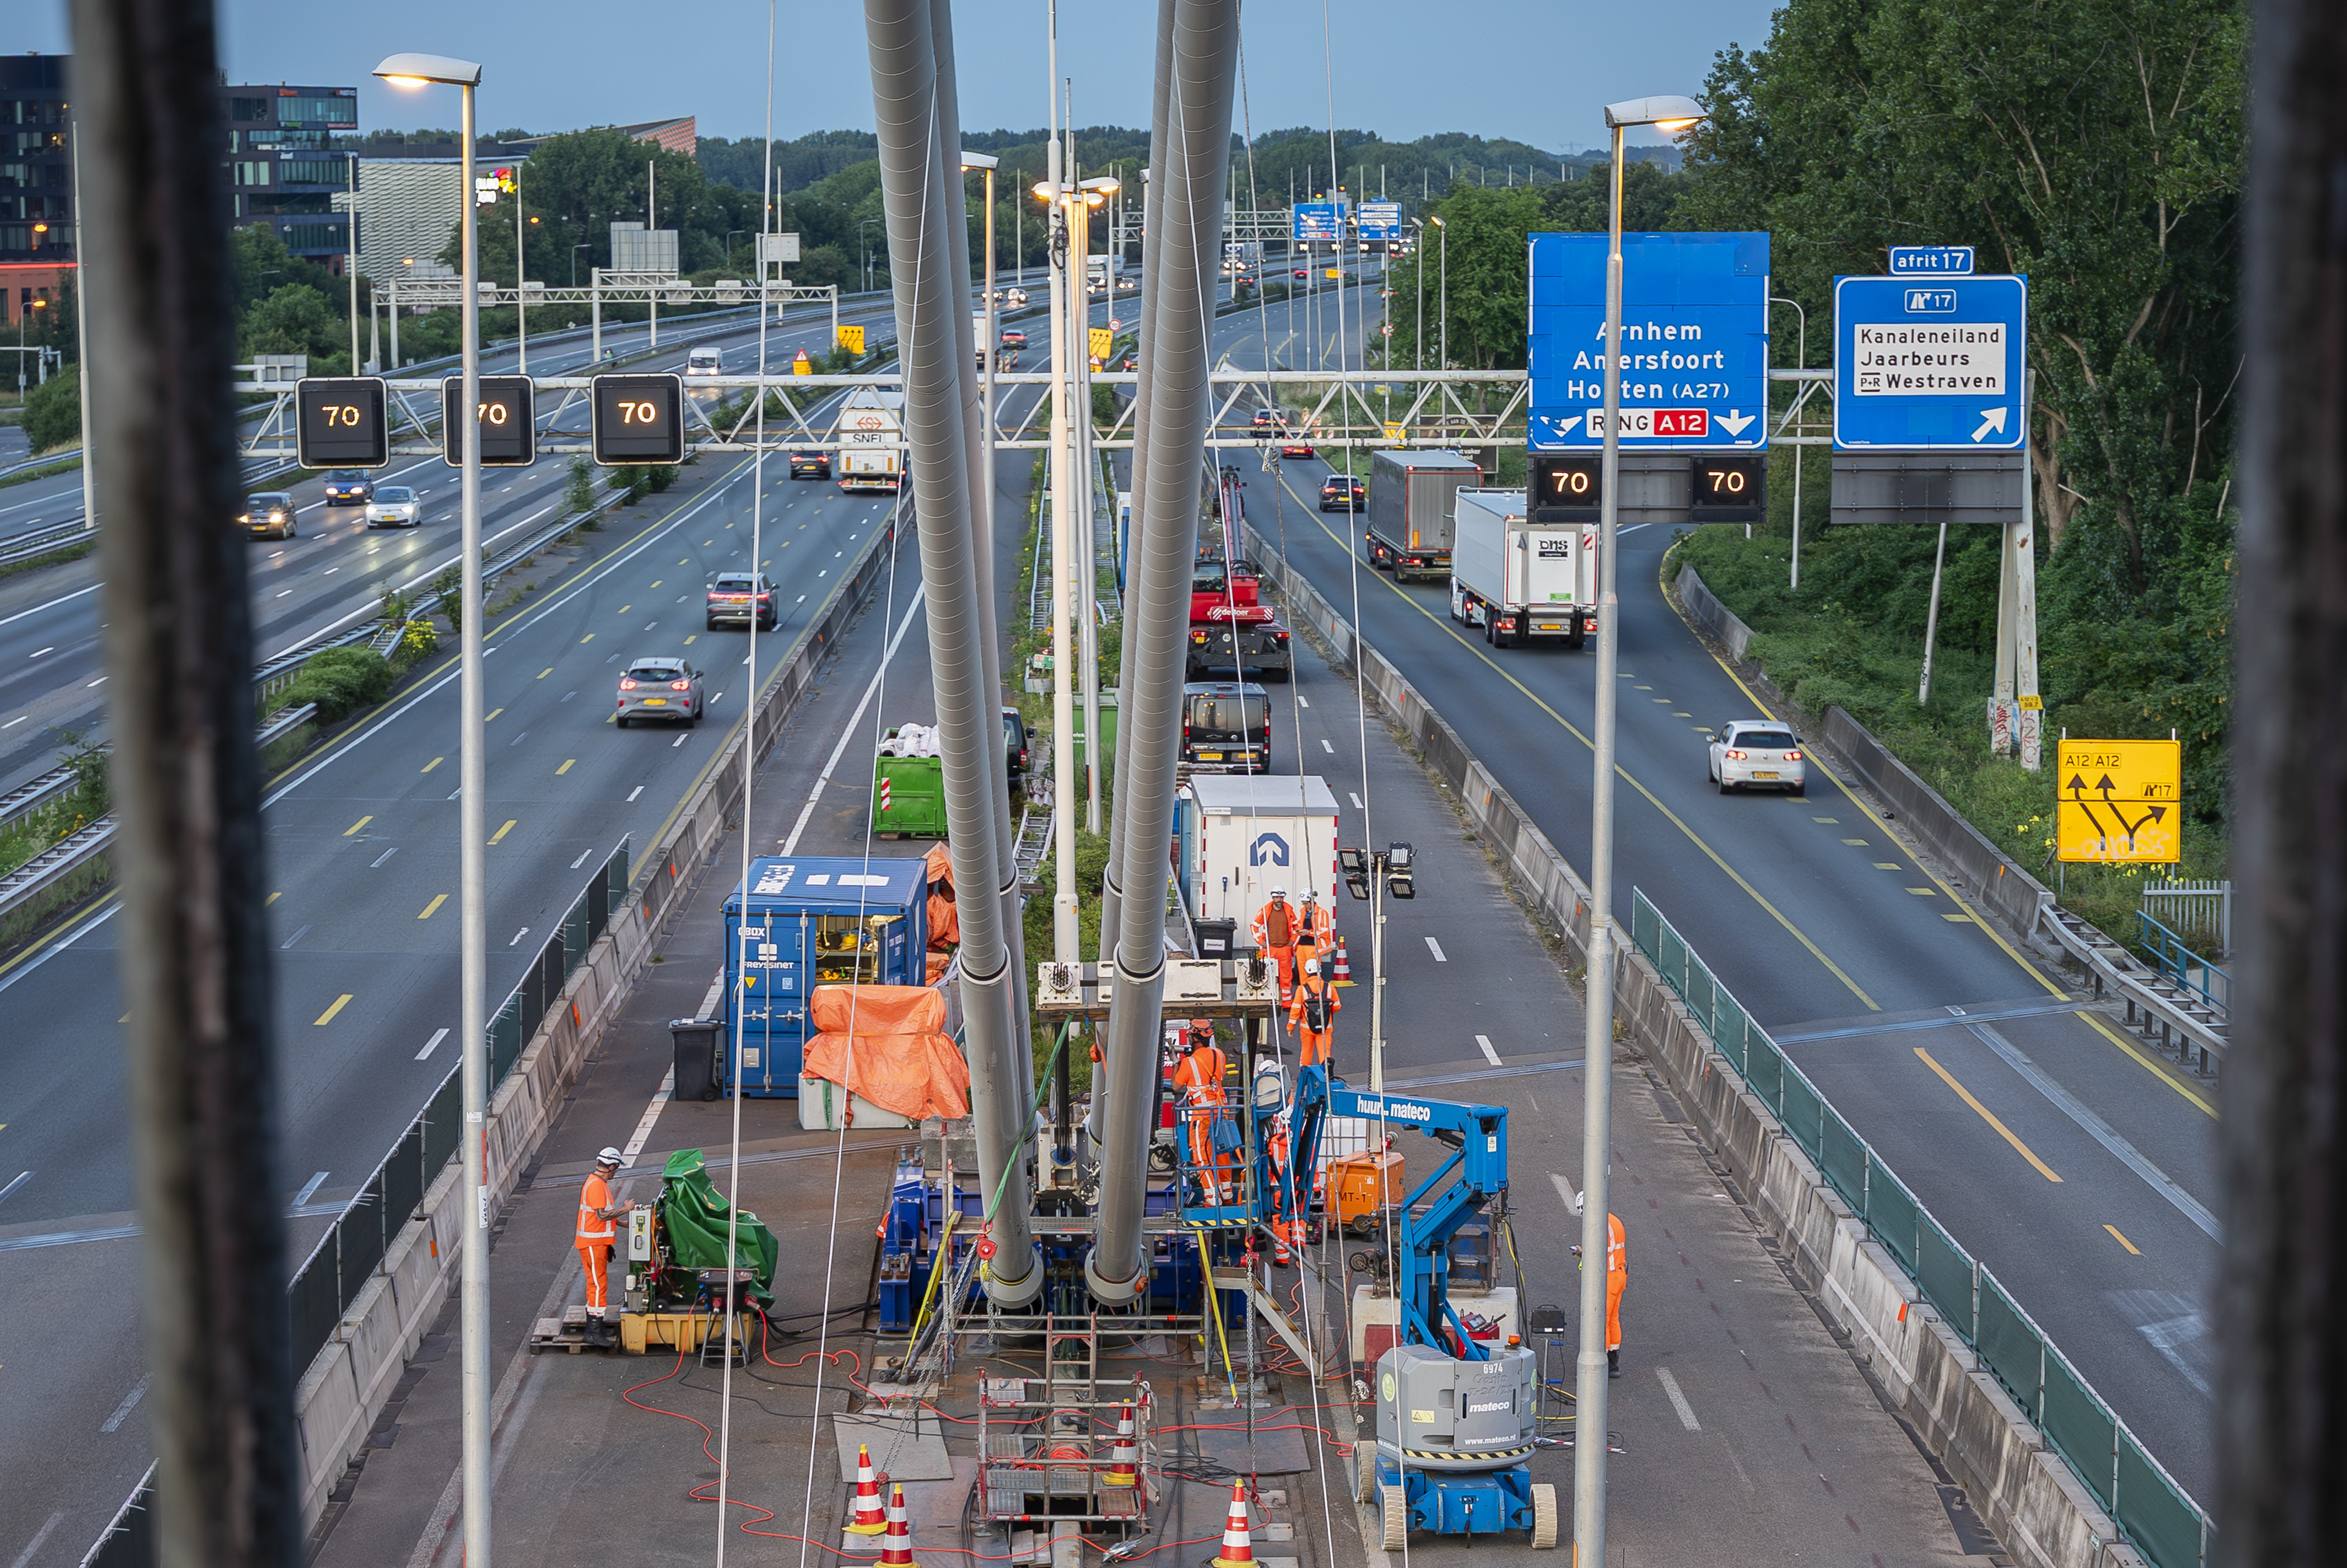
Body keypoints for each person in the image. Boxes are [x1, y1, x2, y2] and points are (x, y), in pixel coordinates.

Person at [577, 1147, 638, 1346]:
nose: (615, 1173)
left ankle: (596, 1326)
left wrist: (622, 1224)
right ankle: (593, 1331)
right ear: (611, 1166)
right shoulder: (596, 1185)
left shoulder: (597, 1183)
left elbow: (602, 1215)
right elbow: (602, 1215)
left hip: (596, 1243)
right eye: (616, 1169)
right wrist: (625, 1209)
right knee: (597, 1285)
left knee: (597, 1283)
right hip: (593, 1244)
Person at [1171, 1023, 1230, 1204]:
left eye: (1190, 1035)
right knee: (1222, 1154)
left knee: (1201, 1157)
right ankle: (1227, 1196)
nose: (1189, 1038)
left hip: (1202, 1117)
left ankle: (1213, 1200)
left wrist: (1175, 1061)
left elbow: (1175, 1086)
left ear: (1195, 1038)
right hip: (1222, 1114)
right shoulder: (1219, 1054)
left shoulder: (1189, 1063)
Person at [1288, 955, 1341, 1068]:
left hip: (1307, 1027)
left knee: (1306, 1051)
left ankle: (1304, 1076)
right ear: (1320, 971)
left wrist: (1290, 1027)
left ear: (1307, 971)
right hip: (1326, 1026)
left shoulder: (1302, 989)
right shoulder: (1330, 987)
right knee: (1325, 1052)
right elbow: (1337, 1006)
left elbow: (1295, 1010)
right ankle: (1326, 1076)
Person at [1251, 885, 1300, 1000]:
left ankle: (1286, 1001)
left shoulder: (1289, 910)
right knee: (1267, 975)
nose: (1279, 900)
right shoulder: (1265, 910)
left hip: (1284, 949)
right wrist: (1261, 941)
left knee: (1286, 976)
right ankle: (1269, 999)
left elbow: (1297, 927)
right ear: (1273, 898)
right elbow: (1254, 926)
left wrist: (1293, 940)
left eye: (1281, 897)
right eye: (1277, 897)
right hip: (1270, 948)